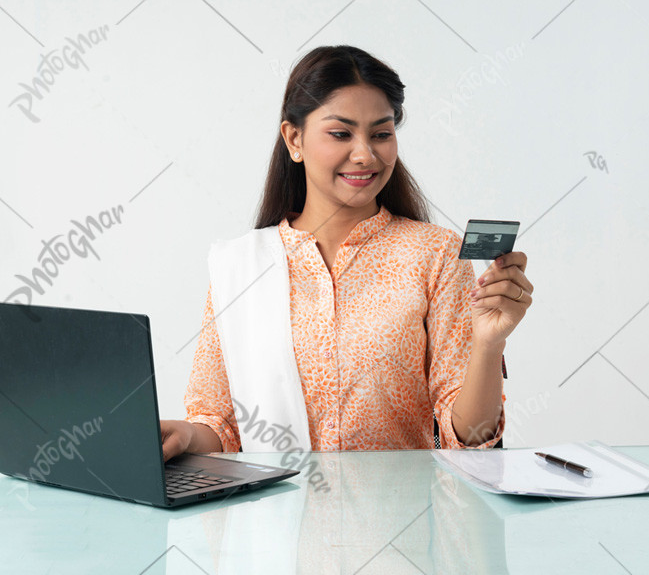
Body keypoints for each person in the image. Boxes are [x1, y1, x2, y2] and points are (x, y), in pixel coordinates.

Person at [161, 45, 533, 461]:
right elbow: (222, 427)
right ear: (294, 138)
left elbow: (468, 439)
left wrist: (488, 345)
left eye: (381, 134)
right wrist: (188, 436)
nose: (365, 154)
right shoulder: (242, 265)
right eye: (341, 134)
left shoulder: (436, 254)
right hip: (276, 520)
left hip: (403, 518)